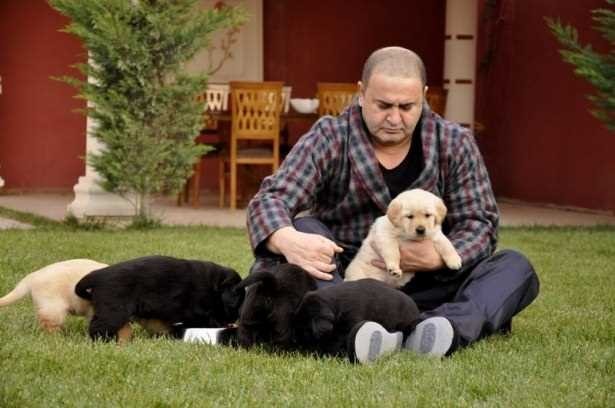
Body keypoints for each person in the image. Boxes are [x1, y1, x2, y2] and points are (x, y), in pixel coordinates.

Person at [245, 46, 539, 364]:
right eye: (383, 105)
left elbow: (479, 222)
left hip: (428, 283)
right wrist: (287, 238)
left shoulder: (454, 142)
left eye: (407, 107)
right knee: (303, 227)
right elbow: (272, 198)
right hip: (346, 279)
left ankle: (441, 329)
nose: (395, 118)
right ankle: (359, 327)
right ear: (361, 94)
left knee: (515, 267)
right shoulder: (330, 136)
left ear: (423, 97)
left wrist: (436, 257)